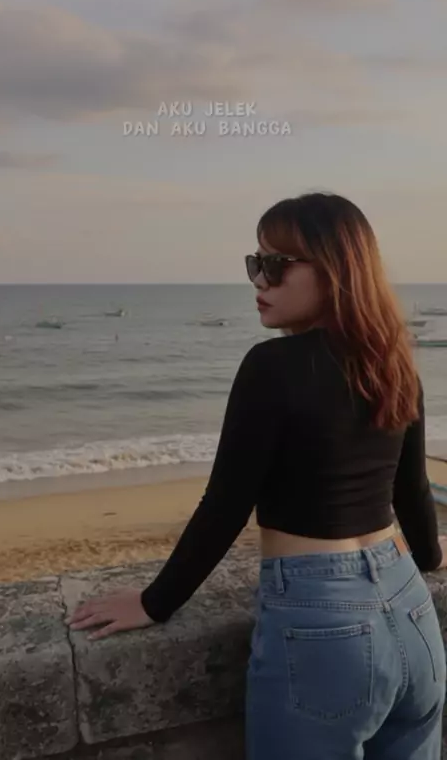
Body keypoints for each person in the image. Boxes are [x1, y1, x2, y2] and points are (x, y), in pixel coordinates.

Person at [68, 191, 447, 759]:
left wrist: (153, 603)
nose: (258, 280)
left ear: (335, 270)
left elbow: (225, 505)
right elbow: (410, 489)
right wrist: (431, 555)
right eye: (255, 262)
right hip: (411, 608)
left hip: (324, 626)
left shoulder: (271, 366)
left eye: (275, 264)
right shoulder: (393, 363)